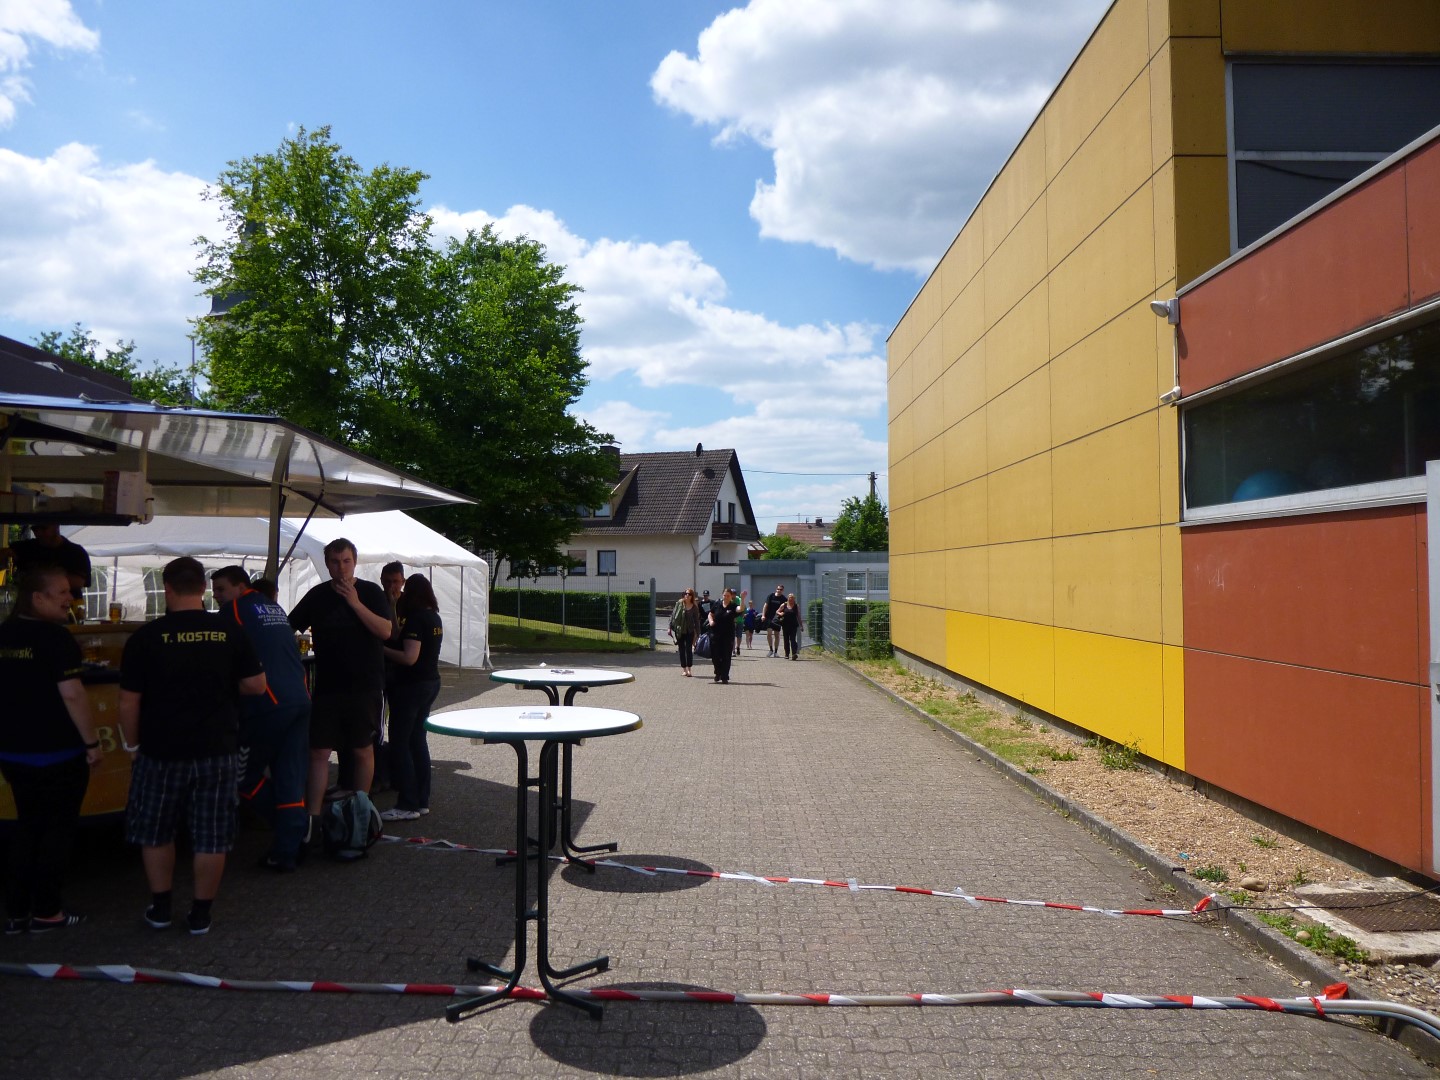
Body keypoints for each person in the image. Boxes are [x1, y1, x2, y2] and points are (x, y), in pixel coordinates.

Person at [119, 557, 267, 935]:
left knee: (156, 831)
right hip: (217, 748)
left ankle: (161, 908)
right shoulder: (229, 631)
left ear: (167, 588)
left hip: (160, 749)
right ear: (203, 588)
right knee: (212, 835)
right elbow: (256, 685)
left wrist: (132, 747)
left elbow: (128, 702)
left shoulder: (146, 637)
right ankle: (201, 914)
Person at [0, 565, 104, 933]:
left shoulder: (4, 634)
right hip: (58, 751)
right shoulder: (55, 638)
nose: (70, 599)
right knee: (56, 832)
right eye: (61, 592)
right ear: (37, 598)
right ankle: (47, 911)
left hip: (12, 752)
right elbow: (73, 694)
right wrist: (92, 743)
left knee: (27, 827)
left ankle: (16, 912)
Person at [288, 539, 393, 835]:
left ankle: (360, 811)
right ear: (327, 564)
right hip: (328, 686)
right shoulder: (317, 595)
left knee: (362, 749)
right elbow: (288, 626)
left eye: (346, 561)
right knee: (319, 751)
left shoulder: (370, 592)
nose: (341, 568)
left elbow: (385, 631)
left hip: (365, 685)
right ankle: (313, 817)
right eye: (335, 562)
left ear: (354, 562)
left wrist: (355, 602)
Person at [211, 565, 311, 872]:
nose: (216, 597)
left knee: (243, 777)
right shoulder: (272, 607)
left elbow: (217, 650)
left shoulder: (235, 610)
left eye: (221, 590)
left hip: (269, 704)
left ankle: (290, 830)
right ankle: (289, 846)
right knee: (289, 777)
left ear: (241, 587)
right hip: (300, 699)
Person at [379, 574, 443, 822]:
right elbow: (399, 634)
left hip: (412, 686)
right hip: (430, 682)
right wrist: (393, 607)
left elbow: (409, 657)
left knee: (400, 742)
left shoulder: (416, 619)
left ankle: (407, 802)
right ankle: (421, 800)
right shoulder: (434, 617)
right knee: (418, 740)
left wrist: (380, 649)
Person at [6, 523, 92, 606]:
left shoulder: (76, 552)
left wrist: (35, 578)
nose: (39, 533)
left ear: (56, 526)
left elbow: (79, 582)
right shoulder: (26, 548)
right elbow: (6, 554)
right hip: (29, 609)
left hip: (66, 609)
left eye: (43, 528)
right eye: (35, 529)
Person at [706, 587, 741, 684]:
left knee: (726, 656)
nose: (726, 597)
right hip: (715, 634)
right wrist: (711, 621)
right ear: (722, 595)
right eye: (724, 595)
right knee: (715, 656)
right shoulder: (717, 604)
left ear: (731, 597)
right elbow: (710, 614)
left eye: (728, 596)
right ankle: (718, 673)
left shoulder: (733, 606)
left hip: (728, 635)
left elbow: (740, 609)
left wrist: (743, 599)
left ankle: (725, 676)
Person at [667, 589, 701, 677]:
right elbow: (673, 616)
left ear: (692, 596)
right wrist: (669, 628)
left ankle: (689, 669)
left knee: (688, 650)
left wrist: (698, 633)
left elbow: (697, 621)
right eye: (685, 594)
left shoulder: (694, 607)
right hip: (679, 630)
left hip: (689, 631)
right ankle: (684, 669)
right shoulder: (679, 604)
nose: (687, 595)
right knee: (681, 650)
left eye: (689, 594)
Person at [761, 584, 786, 657]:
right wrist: (763, 615)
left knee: (777, 634)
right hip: (769, 617)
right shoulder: (771, 596)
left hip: (777, 618)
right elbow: (765, 606)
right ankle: (771, 650)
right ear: (776, 589)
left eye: (781, 589)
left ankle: (776, 651)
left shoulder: (784, 599)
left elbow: (785, 609)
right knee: (769, 633)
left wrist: (782, 615)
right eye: (778, 589)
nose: (779, 590)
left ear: (783, 590)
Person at [780, 593, 803, 660]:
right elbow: (777, 611)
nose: (791, 599)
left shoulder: (796, 606)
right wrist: (780, 613)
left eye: (792, 598)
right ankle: (787, 654)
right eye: (790, 598)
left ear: (794, 599)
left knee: (792, 639)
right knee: (786, 640)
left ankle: (794, 654)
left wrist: (801, 625)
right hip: (785, 625)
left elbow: (798, 616)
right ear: (788, 598)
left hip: (793, 625)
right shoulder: (784, 605)